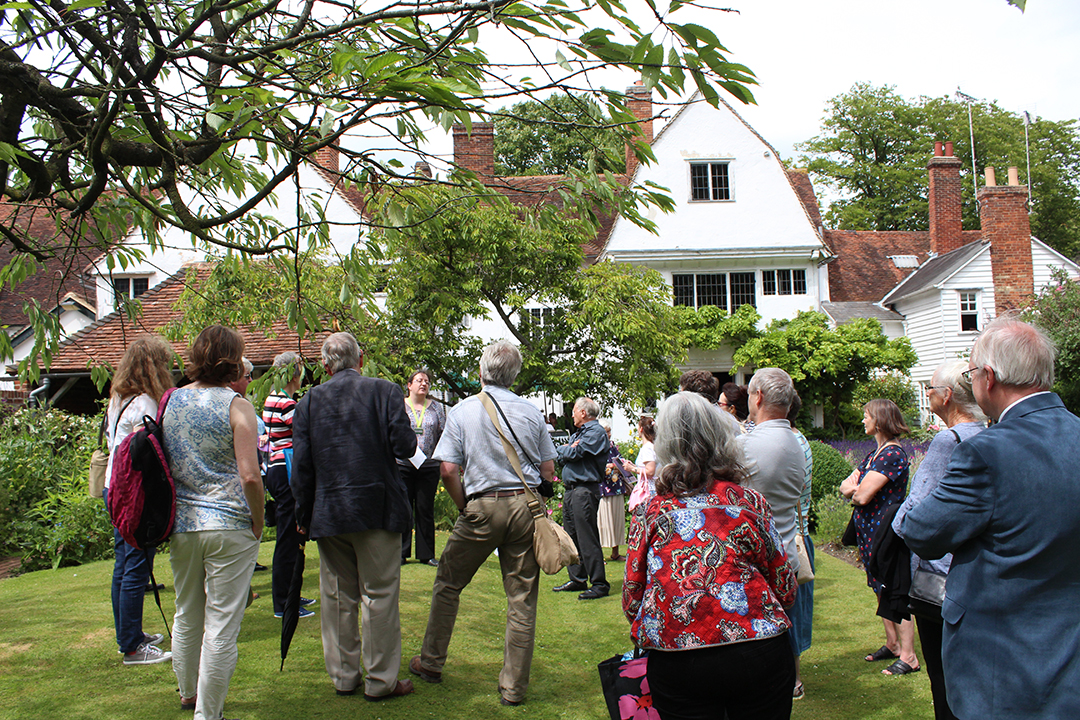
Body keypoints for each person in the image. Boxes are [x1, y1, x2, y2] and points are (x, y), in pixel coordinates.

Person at [903, 318, 1080, 719]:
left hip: (1002, 663)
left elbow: (922, 531)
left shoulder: (987, 451)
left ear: (989, 377)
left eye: (971, 374)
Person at [623, 391, 797, 720]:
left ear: (664, 445)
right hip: (758, 652)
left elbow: (632, 598)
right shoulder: (749, 502)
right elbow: (785, 587)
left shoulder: (650, 512)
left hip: (677, 658)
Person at [410, 340, 557, 707]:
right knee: (521, 599)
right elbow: (547, 469)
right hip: (525, 507)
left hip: (481, 506)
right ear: (515, 375)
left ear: (480, 372)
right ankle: (514, 688)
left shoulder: (463, 410)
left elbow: (448, 469)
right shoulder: (531, 411)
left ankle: (431, 662)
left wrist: (464, 507)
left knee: (448, 583)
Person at [291, 332, 417, 701]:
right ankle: (380, 680)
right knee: (379, 594)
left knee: (337, 597)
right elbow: (406, 446)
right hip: (377, 508)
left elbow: (302, 467)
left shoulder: (309, 402)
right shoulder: (385, 391)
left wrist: (303, 513)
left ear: (325, 365)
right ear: (360, 360)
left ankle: (345, 677)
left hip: (329, 512)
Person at [163, 326, 265, 718]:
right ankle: (208, 714)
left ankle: (188, 693)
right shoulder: (237, 406)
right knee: (221, 625)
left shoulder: (171, 401)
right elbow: (250, 476)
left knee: (187, 612)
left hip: (183, 524)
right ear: (233, 359)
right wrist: (258, 522)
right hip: (229, 523)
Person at [893, 361, 984, 720]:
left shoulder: (949, 439)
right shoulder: (985, 433)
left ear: (947, 396)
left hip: (940, 578)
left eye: (929, 389)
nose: (927, 394)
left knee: (943, 679)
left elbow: (915, 512)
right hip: (973, 575)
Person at [104, 334, 175, 665]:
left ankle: (128, 634)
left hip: (113, 487)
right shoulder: (145, 403)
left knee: (124, 564)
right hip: (134, 491)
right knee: (136, 564)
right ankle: (132, 647)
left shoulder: (119, 398)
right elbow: (150, 454)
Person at [737, 368, 808, 698]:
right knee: (781, 637)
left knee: (756, 649)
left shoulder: (748, 445)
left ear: (758, 397)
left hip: (757, 562)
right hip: (785, 555)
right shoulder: (795, 441)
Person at [839, 398, 917, 676]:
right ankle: (892, 644)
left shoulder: (892, 454)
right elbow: (845, 486)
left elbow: (861, 495)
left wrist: (856, 488)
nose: (863, 420)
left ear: (880, 420)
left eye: (867, 415)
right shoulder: (874, 455)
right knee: (879, 586)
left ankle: (909, 656)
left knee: (895, 590)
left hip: (887, 532)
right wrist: (855, 488)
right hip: (870, 532)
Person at [261, 351, 314, 619]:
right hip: (286, 470)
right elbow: (306, 432)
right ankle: (283, 602)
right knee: (288, 537)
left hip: (277, 468)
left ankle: (291, 593)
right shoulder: (285, 403)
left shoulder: (274, 398)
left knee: (291, 536)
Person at [553, 397, 609, 600]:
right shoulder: (579, 434)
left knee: (587, 536)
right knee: (572, 536)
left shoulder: (596, 432)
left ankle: (599, 583)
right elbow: (562, 457)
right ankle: (577, 579)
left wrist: (566, 449)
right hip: (572, 490)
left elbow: (575, 453)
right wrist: (567, 449)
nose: (572, 414)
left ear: (583, 413)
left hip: (584, 490)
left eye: (574, 411)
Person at [399, 369, 446, 567]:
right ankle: (401, 553)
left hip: (428, 465)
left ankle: (426, 554)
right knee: (404, 508)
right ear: (409, 385)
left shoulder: (436, 408)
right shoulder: (399, 406)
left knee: (425, 509)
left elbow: (443, 434)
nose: (424, 384)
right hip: (403, 464)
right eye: (419, 380)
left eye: (426, 381)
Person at [786, 392, 814, 700]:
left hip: (793, 537)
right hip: (797, 534)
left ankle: (793, 679)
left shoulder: (791, 443)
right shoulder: (797, 439)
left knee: (791, 612)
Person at [598, 420, 629, 561]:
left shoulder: (612, 446)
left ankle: (615, 552)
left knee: (617, 520)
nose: (609, 434)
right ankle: (599, 556)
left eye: (609, 431)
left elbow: (620, 461)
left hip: (616, 487)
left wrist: (617, 465)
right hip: (604, 489)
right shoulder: (596, 447)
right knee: (603, 523)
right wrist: (610, 466)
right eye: (606, 432)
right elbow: (597, 466)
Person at [623, 415, 658, 512]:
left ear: (641, 429)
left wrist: (632, 469)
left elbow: (650, 471)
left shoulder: (647, 448)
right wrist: (634, 466)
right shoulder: (651, 446)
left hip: (649, 490)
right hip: (651, 489)